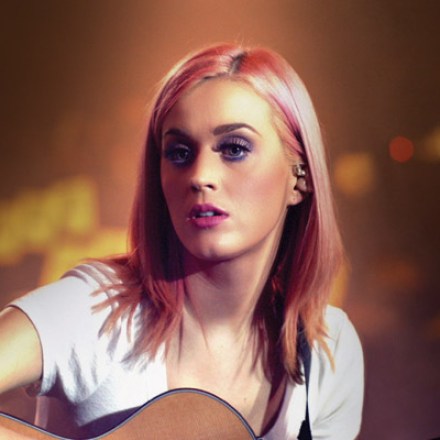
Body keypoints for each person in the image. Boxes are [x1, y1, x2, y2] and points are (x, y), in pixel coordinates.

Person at [0, 43, 364, 439]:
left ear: (300, 177)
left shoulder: (328, 351)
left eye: (234, 149)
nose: (200, 175)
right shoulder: (96, 310)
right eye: (179, 152)